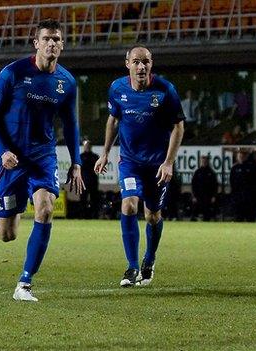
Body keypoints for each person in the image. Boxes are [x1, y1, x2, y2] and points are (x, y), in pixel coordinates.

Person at [0, 19, 84, 302]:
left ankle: (24, 283)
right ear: (36, 43)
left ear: (62, 45)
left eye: (57, 39)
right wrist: (3, 150)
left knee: (45, 209)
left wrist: (76, 162)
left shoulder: (67, 82)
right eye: (47, 38)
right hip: (11, 159)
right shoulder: (13, 73)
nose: (52, 43)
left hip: (43, 158)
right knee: (7, 235)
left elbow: (71, 125)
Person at [94, 45, 184, 287]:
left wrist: (168, 162)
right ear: (127, 64)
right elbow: (113, 120)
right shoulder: (117, 88)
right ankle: (132, 268)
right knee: (129, 204)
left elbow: (178, 126)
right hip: (130, 162)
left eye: (145, 62)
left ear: (151, 64)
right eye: (136, 62)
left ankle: (149, 259)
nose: (141, 66)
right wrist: (104, 153)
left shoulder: (165, 90)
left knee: (153, 215)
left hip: (156, 165)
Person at [191, 155, 218, 221]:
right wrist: (194, 196)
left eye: (205, 161)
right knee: (197, 210)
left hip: (208, 195)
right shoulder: (197, 172)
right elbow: (193, 185)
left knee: (207, 212)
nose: (204, 162)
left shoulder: (211, 172)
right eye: (203, 161)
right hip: (198, 195)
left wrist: (214, 196)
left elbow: (215, 185)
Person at [230, 151, 255, 221]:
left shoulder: (250, 167)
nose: (241, 158)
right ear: (237, 157)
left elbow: (253, 180)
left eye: (242, 156)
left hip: (248, 194)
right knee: (238, 213)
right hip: (238, 194)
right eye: (239, 156)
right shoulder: (234, 168)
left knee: (248, 213)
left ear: (245, 157)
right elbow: (232, 181)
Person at [80, 139, 100, 218]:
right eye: (86, 146)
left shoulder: (95, 156)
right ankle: (83, 215)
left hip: (93, 181)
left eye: (88, 146)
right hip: (83, 181)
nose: (87, 147)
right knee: (83, 200)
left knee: (94, 199)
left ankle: (94, 215)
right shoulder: (81, 156)